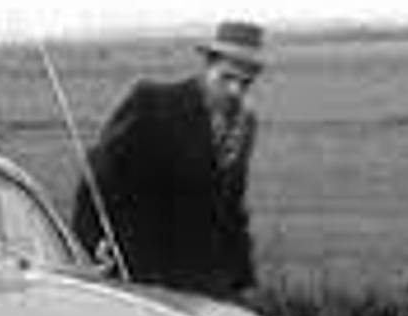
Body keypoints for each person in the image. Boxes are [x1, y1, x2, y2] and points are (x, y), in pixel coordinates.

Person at [72, 21, 265, 299]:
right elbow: (97, 178)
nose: (235, 90)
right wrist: (93, 243)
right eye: (227, 78)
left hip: (206, 284)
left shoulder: (245, 125)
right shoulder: (154, 104)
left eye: (245, 84)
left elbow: (232, 211)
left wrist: (243, 281)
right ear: (208, 67)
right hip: (142, 275)